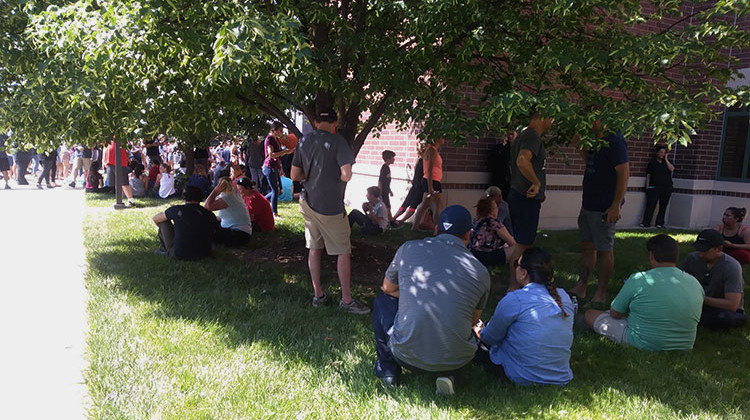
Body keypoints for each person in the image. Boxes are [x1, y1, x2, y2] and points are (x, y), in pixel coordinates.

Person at [371, 205, 490, 393]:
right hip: (456, 360)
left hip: (405, 356)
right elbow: (472, 322)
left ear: (436, 229)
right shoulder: (481, 271)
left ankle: (388, 370)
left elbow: (387, 288)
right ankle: (448, 375)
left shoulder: (408, 249)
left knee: (382, 301)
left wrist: (413, 293)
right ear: (468, 235)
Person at [291, 108, 370, 314]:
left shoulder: (303, 142)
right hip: (331, 206)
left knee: (314, 248)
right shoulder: (338, 142)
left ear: (315, 123)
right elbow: (346, 175)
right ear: (335, 123)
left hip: (307, 202)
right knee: (343, 251)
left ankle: (318, 295)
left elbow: (294, 175)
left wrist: (312, 175)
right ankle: (346, 300)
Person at [585, 234, 704, 350]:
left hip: (643, 341)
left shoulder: (639, 279)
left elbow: (614, 313)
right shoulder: (694, 282)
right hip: (685, 345)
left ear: (651, 255)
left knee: (590, 314)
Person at [474, 247, 574, 385]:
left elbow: (490, 338)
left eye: (516, 265)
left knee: (474, 345)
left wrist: (479, 332)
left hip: (523, 376)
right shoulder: (564, 297)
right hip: (561, 376)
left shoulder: (515, 299)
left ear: (524, 273)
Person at [568, 120, 630, 308]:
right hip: (589, 203)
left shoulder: (615, 140)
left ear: (600, 119)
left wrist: (616, 205)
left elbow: (624, 172)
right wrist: (579, 144)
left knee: (604, 250)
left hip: (604, 207)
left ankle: (601, 293)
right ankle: (582, 285)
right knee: (587, 246)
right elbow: (590, 161)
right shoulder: (595, 140)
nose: (586, 123)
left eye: (590, 119)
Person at [507, 109, 554, 289]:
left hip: (521, 196)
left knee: (521, 243)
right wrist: (536, 182)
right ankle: (513, 288)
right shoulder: (532, 136)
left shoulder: (525, 135)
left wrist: (538, 187)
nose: (553, 121)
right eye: (552, 115)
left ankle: (513, 286)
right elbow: (522, 160)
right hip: (524, 197)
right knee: (523, 246)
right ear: (543, 116)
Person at [679, 229, 747, 329]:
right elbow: (679, 282)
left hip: (722, 309)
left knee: (724, 318)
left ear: (719, 249)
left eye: (705, 251)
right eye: (699, 249)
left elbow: (732, 305)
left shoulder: (731, 267)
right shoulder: (692, 259)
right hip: (698, 304)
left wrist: (701, 298)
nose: (700, 254)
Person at [152, 186, 220, 260]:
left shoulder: (177, 210)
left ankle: (165, 250)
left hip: (180, 254)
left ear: (184, 197)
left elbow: (156, 219)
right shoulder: (209, 214)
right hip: (205, 253)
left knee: (163, 222)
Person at [204, 177, 252, 247]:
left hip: (239, 234)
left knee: (208, 231)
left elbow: (207, 207)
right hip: (241, 232)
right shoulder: (233, 195)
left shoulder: (228, 197)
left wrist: (215, 191)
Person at [469, 198, 516, 267]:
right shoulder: (494, 223)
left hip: (473, 254)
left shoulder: (475, 221)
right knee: (517, 248)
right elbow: (511, 242)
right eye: (497, 207)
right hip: (487, 256)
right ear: (491, 210)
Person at [411, 137, 445, 232]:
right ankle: (437, 230)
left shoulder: (432, 150)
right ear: (436, 138)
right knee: (438, 205)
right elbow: (429, 169)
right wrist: (430, 187)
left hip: (433, 180)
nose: (444, 139)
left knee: (425, 204)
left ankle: (415, 227)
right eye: (442, 137)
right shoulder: (431, 150)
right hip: (432, 181)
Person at [263, 121, 295, 218]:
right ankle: (274, 213)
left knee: (279, 191)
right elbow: (271, 155)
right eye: (280, 131)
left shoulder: (276, 139)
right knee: (275, 190)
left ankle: (262, 200)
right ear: (274, 130)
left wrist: (288, 152)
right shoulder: (270, 139)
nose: (282, 133)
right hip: (269, 167)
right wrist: (284, 152)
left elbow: (278, 154)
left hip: (275, 167)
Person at [640, 145, 674, 228]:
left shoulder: (668, 162)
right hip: (654, 187)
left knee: (663, 206)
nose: (662, 154)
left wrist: (666, 159)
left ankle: (659, 223)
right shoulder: (652, 162)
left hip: (666, 187)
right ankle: (646, 222)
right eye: (661, 152)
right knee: (651, 205)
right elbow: (648, 174)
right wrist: (647, 186)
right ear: (657, 153)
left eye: (664, 152)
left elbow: (672, 169)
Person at [390, 154, 424, 227]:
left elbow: (416, 170)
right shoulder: (427, 161)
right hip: (421, 185)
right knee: (413, 205)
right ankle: (401, 221)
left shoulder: (419, 160)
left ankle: (393, 219)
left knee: (406, 203)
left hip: (415, 183)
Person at [104, 140, 135, 207]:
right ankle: (119, 200)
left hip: (120, 162)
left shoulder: (121, 135)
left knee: (124, 182)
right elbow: (105, 147)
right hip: (110, 162)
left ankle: (131, 201)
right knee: (116, 183)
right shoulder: (107, 136)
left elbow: (127, 146)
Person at [379, 150, 395, 220]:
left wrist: (390, 191)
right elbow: (381, 181)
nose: (394, 159)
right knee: (388, 207)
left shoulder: (387, 168)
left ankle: (389, 221)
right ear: (388, 159)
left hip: (386, 191)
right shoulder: (384, 168)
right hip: (383, 192)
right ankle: (391, 222)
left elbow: (387, 182)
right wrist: (380, 192)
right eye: (392, 158)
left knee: (387, 207)